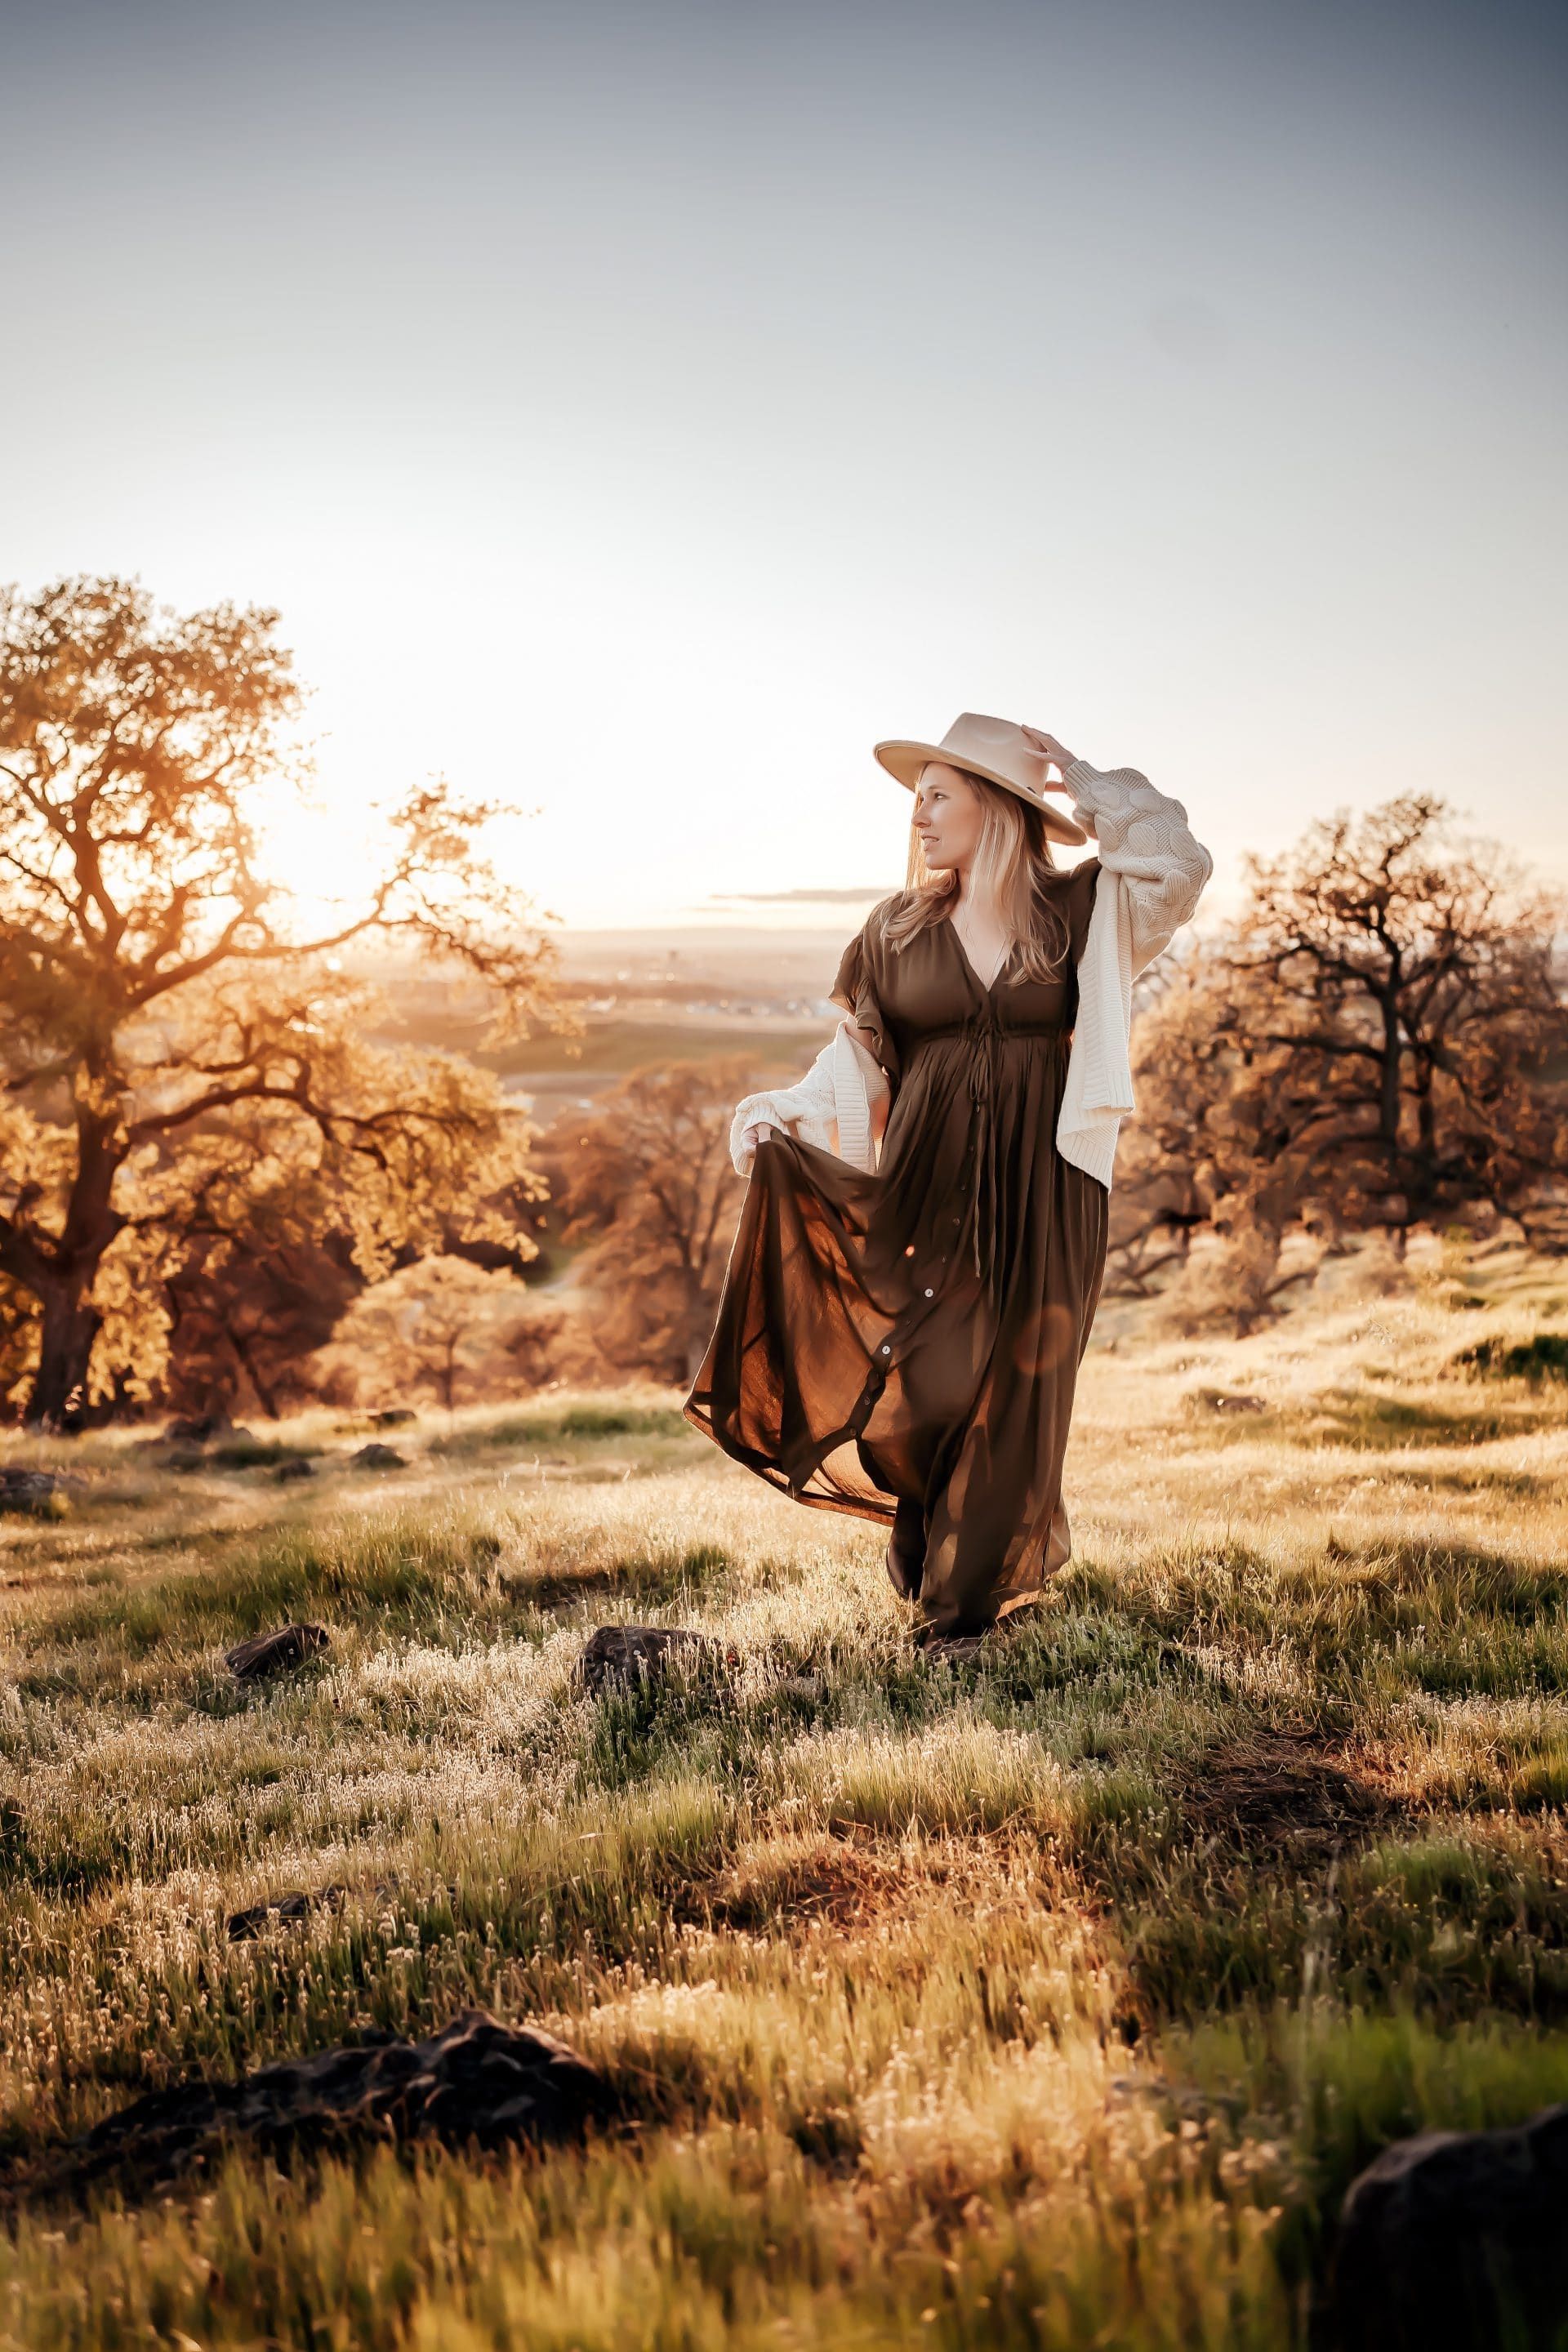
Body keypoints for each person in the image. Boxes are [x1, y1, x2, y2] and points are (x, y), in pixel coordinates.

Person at [682, 712, 1214, 1659]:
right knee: (929, 1384)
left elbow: (1176, 861)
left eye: (939, 795)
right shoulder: (894, 928)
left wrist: (1084, 782)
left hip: (1048, 1186)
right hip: (926, 1182)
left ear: (995, 806)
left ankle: (961, 1612)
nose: (919, 815)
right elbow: (858, 1065)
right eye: (918, 797)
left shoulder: (1081, 911)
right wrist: (786, 1115)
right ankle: (931, 1533)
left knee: (1018, 1380)